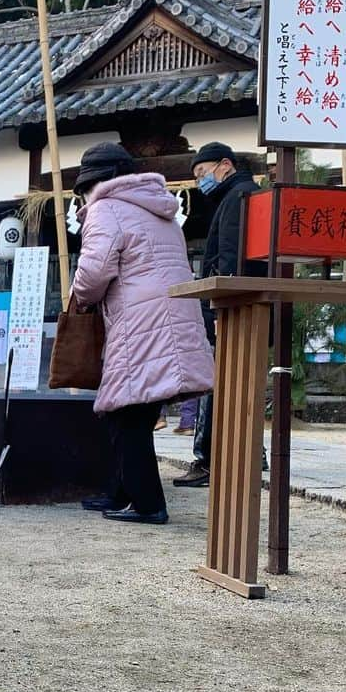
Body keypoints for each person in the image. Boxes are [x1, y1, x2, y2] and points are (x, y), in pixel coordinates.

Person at [70, 143, 214, 524]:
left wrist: (80, 297)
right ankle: (120, 494)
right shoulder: (160, 208)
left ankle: (148, 504)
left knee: (126, 415)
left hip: (141, 320)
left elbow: (94, 273)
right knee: (133, 411)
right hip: (173, 314)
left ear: (98, 183)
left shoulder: (105, 209)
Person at [173, 142, 266, 488]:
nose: (200, 181)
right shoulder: (243, 194)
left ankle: (208, 459)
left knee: (220, 386)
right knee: (240, 385)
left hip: (230, 308)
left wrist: (215, 308)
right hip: (244, 307)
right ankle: (250, 454)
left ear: (225, 164)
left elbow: (229, 259)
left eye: (202, 172)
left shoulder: (237, 198)